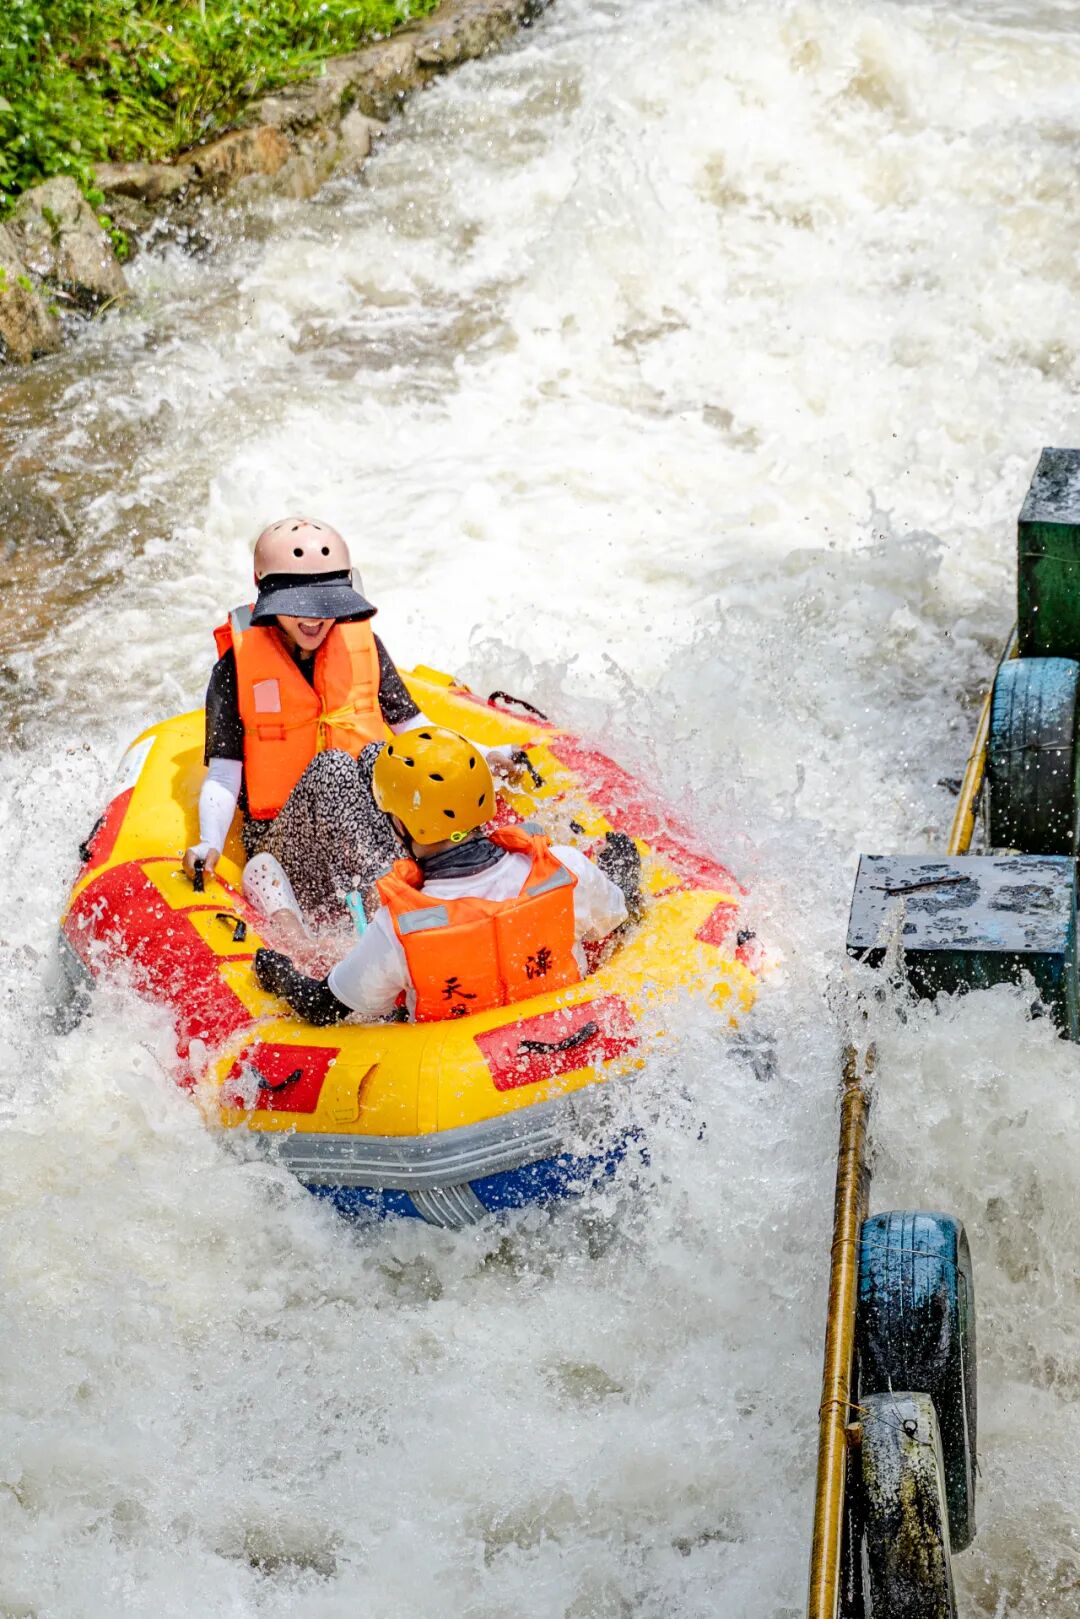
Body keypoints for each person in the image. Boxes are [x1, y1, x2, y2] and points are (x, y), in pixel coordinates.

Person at [182, 516, 508, 928]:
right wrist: (209, 843)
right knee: (333, 767)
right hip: (286, 844)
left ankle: (450, 875)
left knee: (379, 755)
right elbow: (225, 776)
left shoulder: (363, 645)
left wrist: (485, 755)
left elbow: (416, 730)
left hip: (368, 841)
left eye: (327, 606)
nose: (314, 620)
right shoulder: (234, 669)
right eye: (300, 608)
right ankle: (392, 909)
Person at [254, 727, 644, 1025]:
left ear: (401, 828)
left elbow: (321, 1006)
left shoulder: (397, 927)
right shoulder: (566, 867)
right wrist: (624, 867)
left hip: (451, 1080)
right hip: (567, 1033)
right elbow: (623, 910)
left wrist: (279, 974)